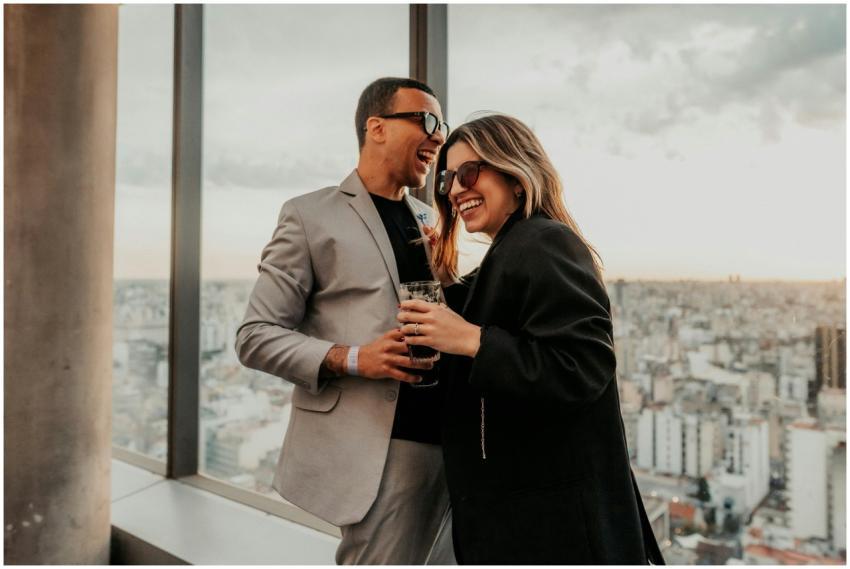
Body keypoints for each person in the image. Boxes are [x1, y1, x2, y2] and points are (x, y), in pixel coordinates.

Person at [397, 114, 666, 564]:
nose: (455, 189)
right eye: (447, 178)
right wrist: (443, 281)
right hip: (531, 514)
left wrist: (472, 340)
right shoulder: (511, 249)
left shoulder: (544, 242)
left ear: (516, 175)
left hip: (553, 525)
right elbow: (493, 312)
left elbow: (582, 367)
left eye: (469, 172)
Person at [235, 77, 453, 564]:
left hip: (449, 444)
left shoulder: (430, 221)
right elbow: (255, 336)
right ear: (376, 127)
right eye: (427, 121)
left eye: (443, 125)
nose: (439, 136)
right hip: (382, 449)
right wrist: (354, 358)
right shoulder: (309, 215)